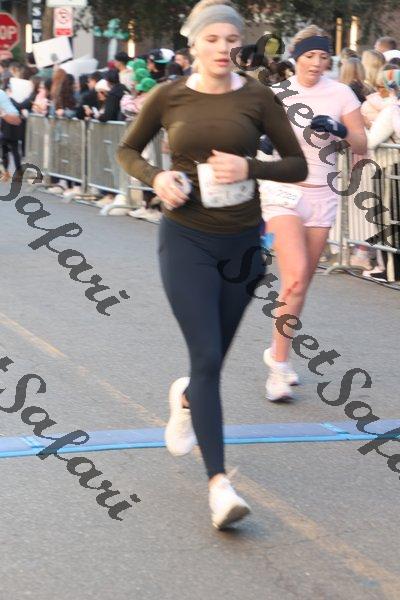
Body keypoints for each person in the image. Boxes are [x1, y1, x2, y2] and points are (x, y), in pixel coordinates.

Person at [117, 0, 307, 529]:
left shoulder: (258, 96)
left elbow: (296, 164)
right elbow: (128, 150)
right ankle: (219, 485)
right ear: (194, 44)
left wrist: (249, 166)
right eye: (213, 39)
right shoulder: (169, 95)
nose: (223, 48)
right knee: (204, 355)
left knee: (210, 364)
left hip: (243, 246)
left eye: (231, 40)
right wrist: (156, 177)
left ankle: (185, 400)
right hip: (186, 240)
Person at [260, 24, 367, 401]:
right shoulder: (278, 93)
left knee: (301, 284)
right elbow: (251, 132)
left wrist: (339, 129)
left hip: (323, 194)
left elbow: (362, 144)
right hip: (283, 191)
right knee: (292, 280)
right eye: (310, 56)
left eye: (323, 56)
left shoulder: (341, 93)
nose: (317, 63)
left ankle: (278, 350)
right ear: (296, 57)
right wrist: (262, 141)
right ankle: (278, 368)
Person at [0, 89, 22, 182]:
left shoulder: (3, 96)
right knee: (8, 150)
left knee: (11, 150)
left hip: (10, 127)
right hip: (8, 127)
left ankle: (13, 173)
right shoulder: (4, 96)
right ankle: (8, 173)